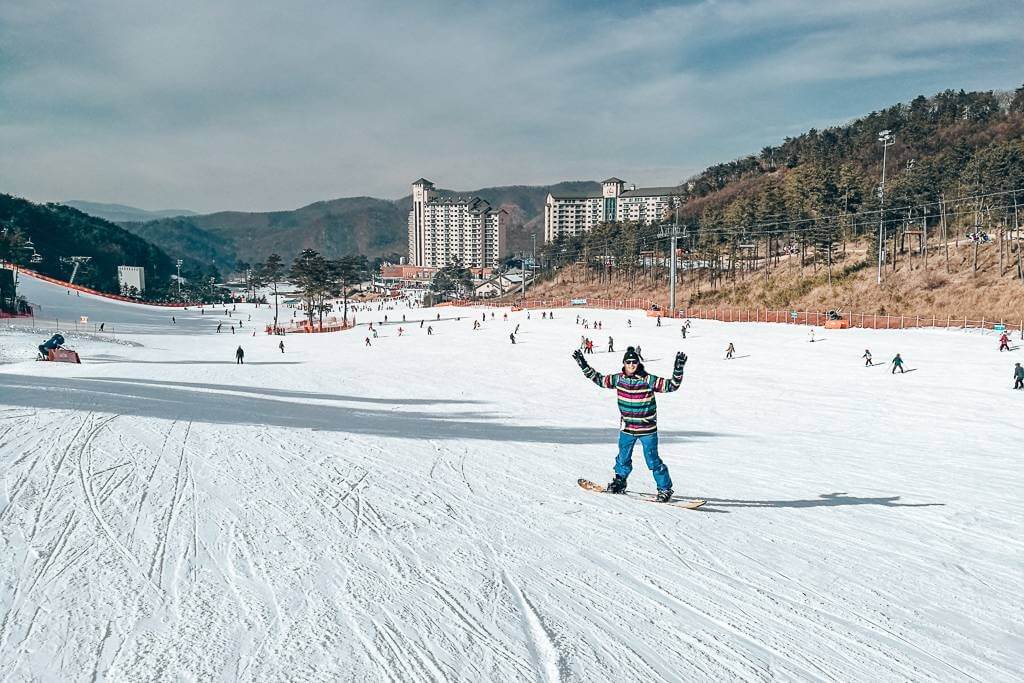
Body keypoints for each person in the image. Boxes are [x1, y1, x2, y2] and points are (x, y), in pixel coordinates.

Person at [573, 346, 687, 503]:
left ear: (638, 363)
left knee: (653, 460)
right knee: (623, 458)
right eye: (628, 362)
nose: (632, 364)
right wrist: (583, 364)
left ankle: (664, 489)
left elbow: (672, 385)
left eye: (634, 362)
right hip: (627, 428)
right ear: (624, 363)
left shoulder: (647, 380)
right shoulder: (618, 379)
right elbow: (599, 379)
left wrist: (678, 368)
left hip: (647, 429)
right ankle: (620, 481)